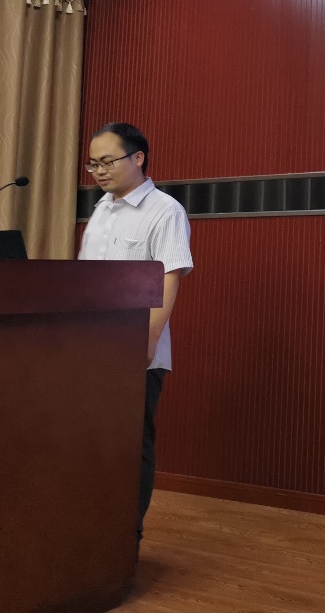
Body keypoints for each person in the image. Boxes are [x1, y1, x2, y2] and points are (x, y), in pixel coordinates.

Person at [78, 122, 192, 552]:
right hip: (87, 350)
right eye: (93, 164)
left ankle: (127, 540)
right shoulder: (101, 211)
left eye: (107, 161)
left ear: (138, 158)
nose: (99, 171)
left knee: (130, 446)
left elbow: (168, 278)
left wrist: (146, 343)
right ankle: (89, 532)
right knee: (92, 445)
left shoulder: (164, 211)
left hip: (135, 353)